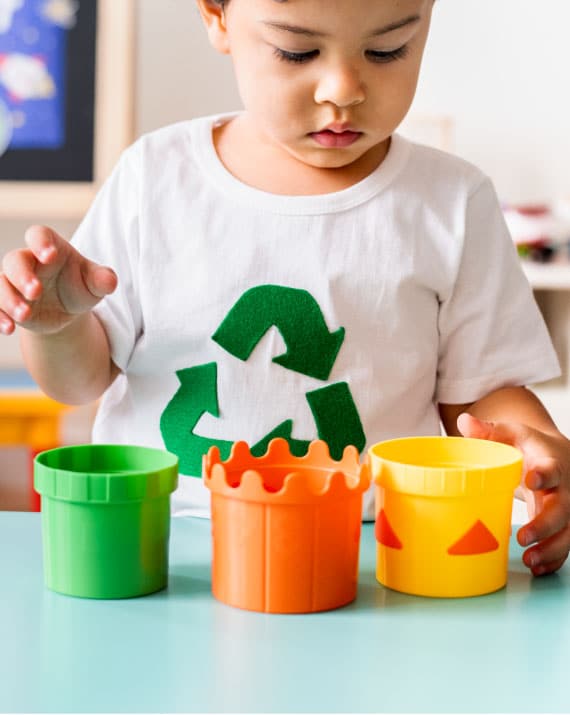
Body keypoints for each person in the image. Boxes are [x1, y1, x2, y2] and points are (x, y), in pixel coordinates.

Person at [0, 0, 569, 575]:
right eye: (298, 51)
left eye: (387, 49)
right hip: (167, 544)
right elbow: (78, 382)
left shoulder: (453, 202)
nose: (343, 90)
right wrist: (58, 324)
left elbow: (480, 398)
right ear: (217, 18)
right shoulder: (154, 177)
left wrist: (537, 448)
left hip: (370, 552)